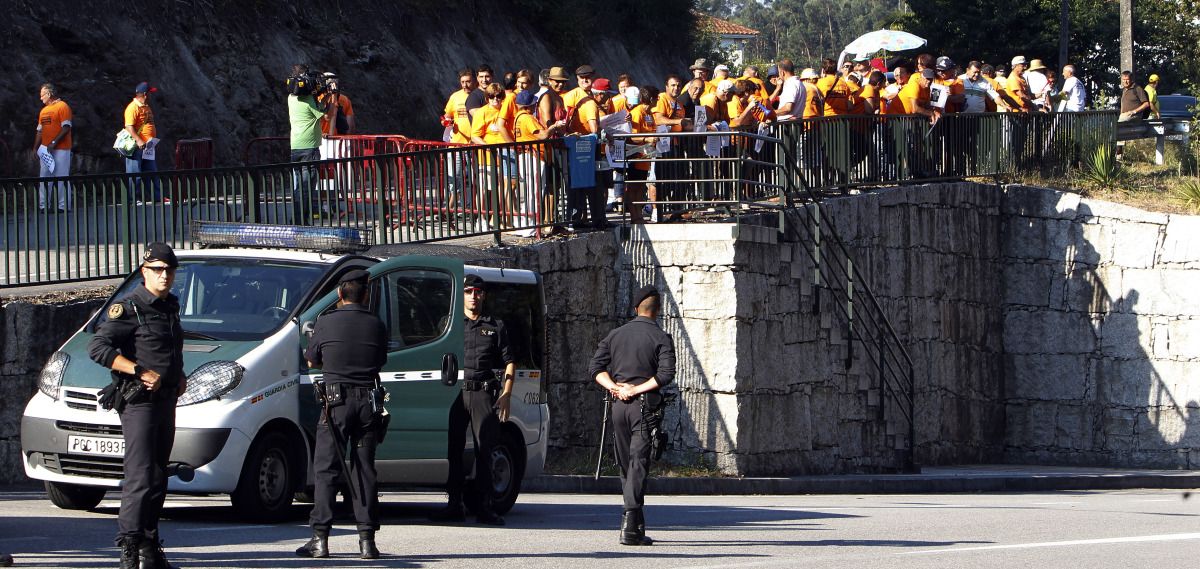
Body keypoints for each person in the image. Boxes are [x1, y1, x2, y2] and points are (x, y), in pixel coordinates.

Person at [87, 243, 185, 569]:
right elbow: (98, 347)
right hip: (139, 403)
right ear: (144, 272)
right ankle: (128, 548)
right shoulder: (129, 308)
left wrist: (178, 374)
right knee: (140, 477)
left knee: (158, 477)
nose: (165, 276)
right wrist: (137, 370)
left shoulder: (169, 306)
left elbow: (168, 350)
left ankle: (149, 547)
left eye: (169, 270)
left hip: (166, 400)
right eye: (158, 270)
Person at [296, 269, 388, 560]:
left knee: (326, 470)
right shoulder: (377, 324)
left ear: (339, 294)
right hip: (366, 405)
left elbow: (311, 359)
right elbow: (380, 359)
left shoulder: (326, 322)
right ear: (366, 293)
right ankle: (367, 542)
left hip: (335, 404)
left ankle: (320, 540)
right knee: (364, 468)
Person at [588, 285, 676, 546]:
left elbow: (595, 368)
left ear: (635, 307)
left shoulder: (615, 335)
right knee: (638, 463)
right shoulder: (661, 337)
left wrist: (616, 388)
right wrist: (636, 388)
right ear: (657, 309)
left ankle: (636, 525)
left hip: (618, 406)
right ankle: (629, 524)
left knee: (627, 465)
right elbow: (665, 374)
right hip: (643, 408)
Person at [430, 275, 514, 526]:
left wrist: (507, 394)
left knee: (484, 450)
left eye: (478, 291)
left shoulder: (495, 325)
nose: (473, 296)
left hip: (482, 393)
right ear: (462, 295)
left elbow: (509, 361)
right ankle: (454, 505)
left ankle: (484, 507)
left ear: (484, 295)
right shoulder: (450, 324)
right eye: (468, 291)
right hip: (454, 393)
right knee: (453, 451)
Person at [288, 64, 334, 223]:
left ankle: (296, 219)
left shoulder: (291, 98)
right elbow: (326, 116)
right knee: (306, 188)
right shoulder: (308, 100)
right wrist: (332, 97)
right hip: (310, 148)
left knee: (298, 187)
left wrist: (324, 95)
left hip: (295, 147)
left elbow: (315, 105)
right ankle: (302, 222)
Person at [33, 83, 72, 213]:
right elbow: (39, 131)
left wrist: (54, 143)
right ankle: (44, 206)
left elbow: (66, 127)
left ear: (49, 94)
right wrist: (35, 148)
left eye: (42, 95)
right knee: (44, 176)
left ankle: (63, 206)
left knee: (61, 176)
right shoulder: (43, 111)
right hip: (45, 149)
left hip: (61, 148)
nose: (40, 98)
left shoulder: (63, 106)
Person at [124, 82, 162, 204]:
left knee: (151, 171)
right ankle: (134, 199)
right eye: (150, 93)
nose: (151, 95)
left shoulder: (146, 106)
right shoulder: (132, 108)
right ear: (145, 94)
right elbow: (129, 127)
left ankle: (156, 197)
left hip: (148, 146)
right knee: (135, 173)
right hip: (137, 146)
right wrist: (139, 140)